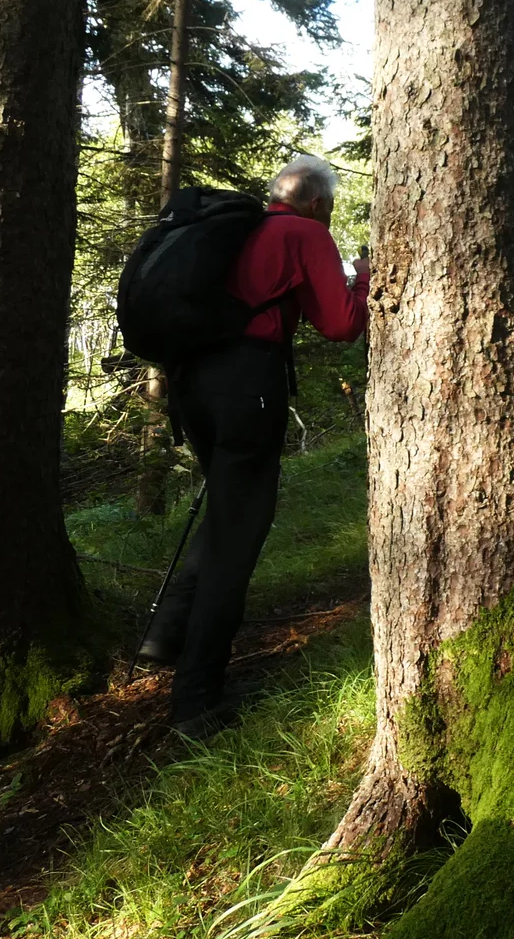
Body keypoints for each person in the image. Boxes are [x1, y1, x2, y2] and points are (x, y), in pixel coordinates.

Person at [142, 153, 370, 735]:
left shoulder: (239, 230)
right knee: (237, 539)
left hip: (191, 387)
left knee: (225, 505)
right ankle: (195, 702)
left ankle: (167, 632)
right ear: (317, 202)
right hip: (248, 388)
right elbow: (342, 323)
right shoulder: (304, 233)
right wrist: (367, 274)